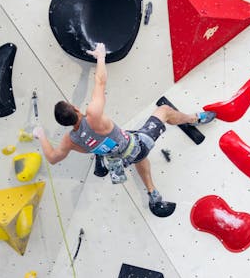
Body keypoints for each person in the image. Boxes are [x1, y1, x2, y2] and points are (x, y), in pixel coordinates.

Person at [33, 43, 215, 217]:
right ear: (76, 108)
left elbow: (53, 158)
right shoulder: (93, 115)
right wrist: (101, 57)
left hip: (119, 158)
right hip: (136, 145)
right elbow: (100, 82)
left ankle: (152, 192)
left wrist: (41, 135)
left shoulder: (70, 140)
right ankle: (194, 119)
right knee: (164, 112)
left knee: (137, 155)